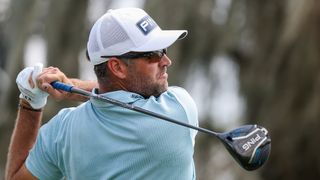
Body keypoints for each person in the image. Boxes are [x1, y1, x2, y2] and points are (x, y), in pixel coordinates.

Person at [5, 8, 198, 180]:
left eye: (163, 50)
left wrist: (31, 101)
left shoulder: (63, 131)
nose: (166, 60)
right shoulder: (179, 110)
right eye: (153, 54)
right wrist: (72, 87)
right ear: (117, 67)